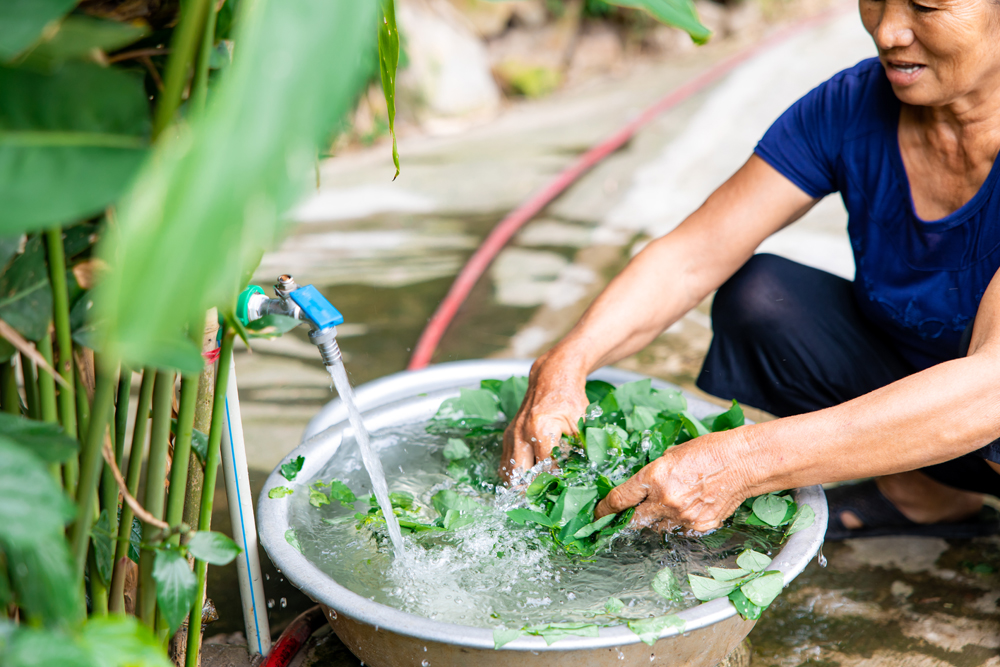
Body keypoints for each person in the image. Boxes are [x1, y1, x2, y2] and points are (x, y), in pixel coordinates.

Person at [501, 0, 1000, 539]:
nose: (888, 30)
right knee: (764, 299)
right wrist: (565, 364)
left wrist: (741, 462)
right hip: (938, 396)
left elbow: (989, 388)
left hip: (983, 402)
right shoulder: (852, 106)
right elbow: (691, 256)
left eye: (927, 5)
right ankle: (927, 494)